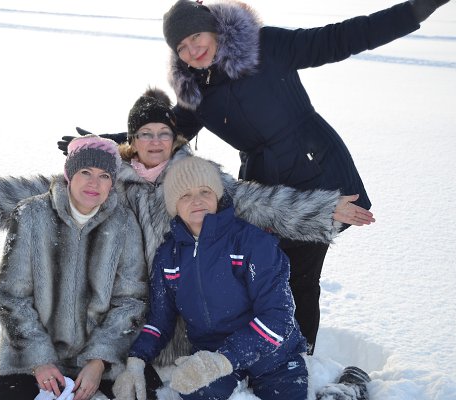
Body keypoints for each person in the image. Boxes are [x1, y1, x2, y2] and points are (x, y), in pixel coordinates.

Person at [0, 89, 373, 379]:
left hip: (184, 304)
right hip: (125, 304)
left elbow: (255, 200)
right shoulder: (113, 175)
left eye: (163, 133)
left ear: (175, 138)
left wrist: (323, 209)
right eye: (145, 134)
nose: (155, 142)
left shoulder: (194, 175)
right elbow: (57, 188)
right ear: (132, 140)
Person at [160, 0, 449, 353]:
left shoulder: (265, 46)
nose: (193, 50)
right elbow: (162, 133)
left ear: (214, 29)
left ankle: (300, 355)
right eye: (182, 47)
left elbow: (339, 38)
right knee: (257, 272)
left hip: (314, 170)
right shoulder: (196, 92)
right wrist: (114, 145)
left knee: (298, 276)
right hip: (263, 186)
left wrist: (415, 10)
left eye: (196, 37)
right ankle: (268, 349)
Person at [113, 156, 368, 400]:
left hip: (272, 353)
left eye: (205, 191)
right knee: (194, 392)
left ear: (217, 195)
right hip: (211, 354)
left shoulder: (252, 242)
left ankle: (348, 389)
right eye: (185, 195)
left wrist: (224, 360)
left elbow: (278, 316)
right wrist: (136, 361)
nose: (197, 201)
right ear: (173, 205)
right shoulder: (169, 256)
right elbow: (160, 320)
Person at [0, 135, 148, 400]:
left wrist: (99, 360)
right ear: (70, 174)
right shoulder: (31, 214)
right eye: (85, 172)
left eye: (104, 176)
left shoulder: (124, 224)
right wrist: (39, 359)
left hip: (96, 363)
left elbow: (131, 301)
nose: (94, 183)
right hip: (30, 359)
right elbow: (12, 296)